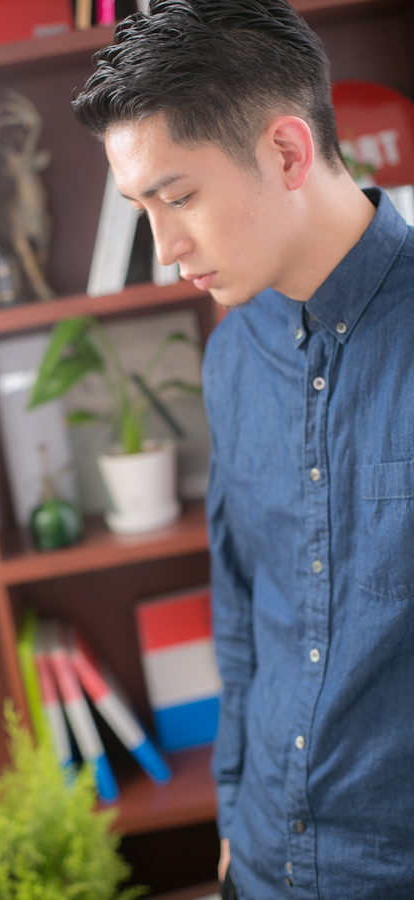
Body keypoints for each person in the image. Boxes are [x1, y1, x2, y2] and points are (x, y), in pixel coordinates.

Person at [71, 1, 414, 898]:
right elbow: (242, 610)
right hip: (257, 865)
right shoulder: (232, 355)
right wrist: (232, 817)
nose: (164, 247)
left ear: (289, 153)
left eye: (179, 197)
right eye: (141, 208)